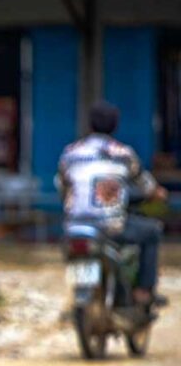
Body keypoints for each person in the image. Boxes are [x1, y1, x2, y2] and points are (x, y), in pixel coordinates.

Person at [57, 100, 167, 304]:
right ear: (115, 126)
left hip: (74, 226)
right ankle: (144, 290)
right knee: (152, 231)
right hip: (110, 226)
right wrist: (158, 194)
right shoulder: (123, 154)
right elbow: (146, 186)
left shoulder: (70, 153)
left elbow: (62, 186)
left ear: (89, 125)